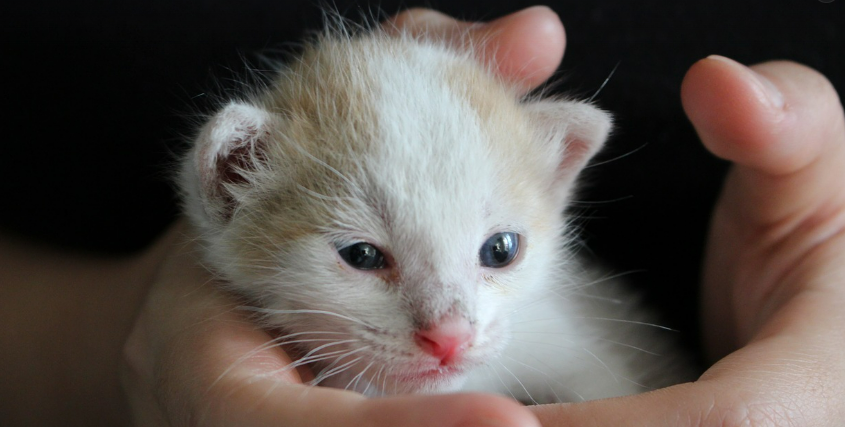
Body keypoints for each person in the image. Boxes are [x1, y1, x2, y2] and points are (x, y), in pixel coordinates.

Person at [2, 6, 844, 427]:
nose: (449, 328)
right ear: (231, 185)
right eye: (364, 254)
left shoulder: (565, 344)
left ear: (559, 173)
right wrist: (117, 340)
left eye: (499, 249)